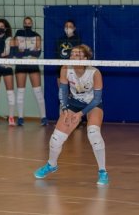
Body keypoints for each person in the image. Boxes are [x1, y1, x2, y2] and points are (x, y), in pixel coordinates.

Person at [34, 44, 108, 186]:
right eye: (72, 54)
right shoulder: (65, 69)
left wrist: (81, 114)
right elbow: (62, 91)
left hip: (92, 105)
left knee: (94, 134)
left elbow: (97, 99)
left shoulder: (95, 72)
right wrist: (65, 108)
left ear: (85, 59)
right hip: (73, 103)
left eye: (77, 54)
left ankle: (103, 171)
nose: (73, 56)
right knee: (56, 138)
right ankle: (51, 164)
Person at [14, 17, 47, 126]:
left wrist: (24, 51)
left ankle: (43, 117)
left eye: (29, 23)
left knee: (38, 91)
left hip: (33, 64)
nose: (27, 24)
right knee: (20, 92)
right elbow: (16, 53)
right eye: (25, 23)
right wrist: (30, 51)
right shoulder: (18, 34)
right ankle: (20, 118)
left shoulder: (37, 35)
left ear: (32, 24)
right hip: (21, 65)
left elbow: (37, 53)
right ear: (23, 23)